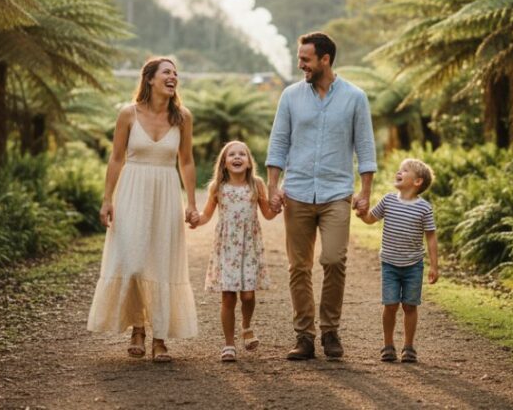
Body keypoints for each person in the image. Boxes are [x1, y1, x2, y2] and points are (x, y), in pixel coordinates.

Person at [266, 31, 377, 361]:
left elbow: (366, 147)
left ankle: (330, 330)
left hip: (336, 194)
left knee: (333, 259)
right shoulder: (290, 96)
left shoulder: (355, 97)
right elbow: (278, 143)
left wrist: (366, 191)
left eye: (305, 59)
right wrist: (273, 187)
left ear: (325, 60)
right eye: (300, 58)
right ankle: (305, 336)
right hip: (297, 192)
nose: (300, 65)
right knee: (298, 267)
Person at [87, 57, 199, 363]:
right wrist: (107, 199)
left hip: (165, 191)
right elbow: (116, 158)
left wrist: (191, 203)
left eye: (176, 73)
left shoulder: (182, 117)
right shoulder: (128, 114)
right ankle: (138, 328)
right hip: (132, 191)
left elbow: (186, 161)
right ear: (149, 79)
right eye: (167, 72)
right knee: (134, 262)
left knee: (161, 262)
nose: (173, 76)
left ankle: (160, 338)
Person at [193, 140, 277, 362]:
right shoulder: (217, 187)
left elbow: (267, 214)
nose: (237, 157)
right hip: (227, 249)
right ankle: (229, 344)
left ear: (249, 163)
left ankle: (246, 326)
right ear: (224, 162)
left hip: (249, 247)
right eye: (232, 155)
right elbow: (206, 216)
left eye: (242, 154)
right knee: (228, 298)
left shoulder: (257, 185)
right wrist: (194, 220)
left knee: (248, 295)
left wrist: (278, 205)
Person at [358, 158, 439, 363]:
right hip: (390, 264)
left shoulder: (424, 208)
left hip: (413, 266)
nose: (399, 171)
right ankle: (388, 345)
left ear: (417, 181)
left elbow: (431, 235)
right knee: (390, 305)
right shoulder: (388, 201)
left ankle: (409, 347)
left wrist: (434, 265)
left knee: (410, 306)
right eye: (399, 169)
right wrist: (361, 213)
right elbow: (370, 219)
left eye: (405, 170)